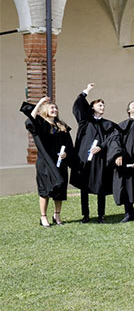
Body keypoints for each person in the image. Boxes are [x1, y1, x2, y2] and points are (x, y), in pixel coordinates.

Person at [21, 97, 74, 227]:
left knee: (60, 188)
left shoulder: (62, 126)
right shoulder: (40, 124)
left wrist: (66, 153)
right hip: (45, 162)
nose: (55, 110)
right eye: (52, 108)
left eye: (56, 108)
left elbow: (68, 144)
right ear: (45, 110)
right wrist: (40, 103)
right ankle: (43, 217)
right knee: (45, 190)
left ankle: (57, 214)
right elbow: (29, 120)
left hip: (60, 162)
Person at [71, 84, 117, 223]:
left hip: (100, 160)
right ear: (92, 108)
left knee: (100, 187)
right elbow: (78, 105)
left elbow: (113, 138)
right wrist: (86, 91)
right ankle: (85, 215)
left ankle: (101, 215)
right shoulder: (85, 121)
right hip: (85, 159)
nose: (102, 107)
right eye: (99, 105)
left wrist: (102, 147)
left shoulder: (108, 124)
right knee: (84, 188)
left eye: (103, 105)